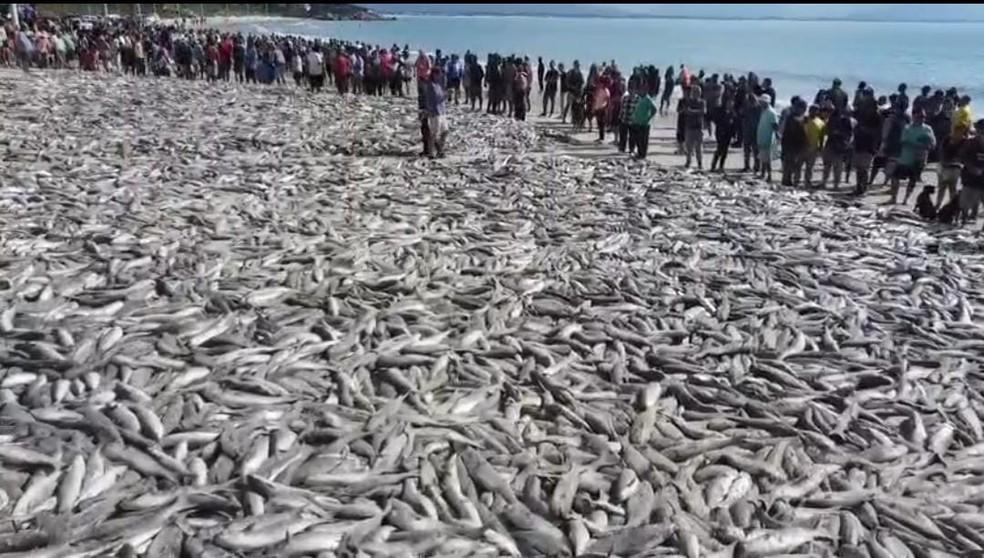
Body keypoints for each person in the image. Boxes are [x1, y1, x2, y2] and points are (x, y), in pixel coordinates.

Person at [888, 108, 936, 205]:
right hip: (905, 158)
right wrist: (919, 145)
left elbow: (933, 144)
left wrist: (926, 146)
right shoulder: (907, 128)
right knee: (895, 178)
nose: (922, 119)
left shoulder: (928, 129)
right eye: (919, 116)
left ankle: (906, 199)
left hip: (919, 159)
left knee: (912, 180)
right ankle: (893, 198)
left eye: (923, 117)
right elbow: (904, 142)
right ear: (913, 116)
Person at [958, 119, 984, 226]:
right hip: (970, 176)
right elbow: (962, 157)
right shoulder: (970, 142)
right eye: (981, 130)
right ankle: (963, 220)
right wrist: (971, 167)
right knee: (966, 200)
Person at [821, 107, 854, 189]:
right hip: (831, 144)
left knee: (836, 167)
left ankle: (835, 184)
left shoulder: (846, 121)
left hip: (839, 146)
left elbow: (849, 134)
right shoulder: (832, 119)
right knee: (828, 166)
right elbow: (827, 131)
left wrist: (839, 134)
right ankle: (825, 183)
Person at [780, 99, 807, 186]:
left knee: (788, 166)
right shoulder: (796, 120)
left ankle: (787, 181)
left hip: (789, 146)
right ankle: (788, 182)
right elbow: (800, 136)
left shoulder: (791, 117)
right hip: (793, 147)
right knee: (791, 166)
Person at [423, 67, 448, 158]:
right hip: (435, 111)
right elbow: (435, 99)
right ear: (434, 74)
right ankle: (431, 152)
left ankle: (440, 150)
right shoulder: (431, 86)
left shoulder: (438, 85)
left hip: (441, 111)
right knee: (434, 133)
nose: (440, 76)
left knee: (445, 131)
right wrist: (445, 95)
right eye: (438, 74)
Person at [710, 97, 738, 172]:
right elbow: (716, 121)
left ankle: (721, 166)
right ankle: (713, 166)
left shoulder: (733, 114)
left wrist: (734, 136)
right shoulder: (720, 111)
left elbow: (734, 126)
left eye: (731, 103)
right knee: (719, 150)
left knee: (725, 151)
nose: (730, 105)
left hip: (728, 135)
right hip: (720, 133)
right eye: (728, 103)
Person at [756, 95, 779, 182]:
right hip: (762, 137)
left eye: (762, 102)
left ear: (767, 103)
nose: (760, 103)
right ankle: (763, 174)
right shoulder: (763, 111)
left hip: (768, 138)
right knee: (763, 157)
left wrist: (776, 137)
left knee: (767, 159)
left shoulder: (771, 113)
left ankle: (769, 176)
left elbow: (775, 126)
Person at [630, 88, 658, 159]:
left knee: (643, 140)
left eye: (641, 90)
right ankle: (639, 153)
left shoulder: (648, 99)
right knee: (638, 139)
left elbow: (654, 109)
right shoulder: (639, 98)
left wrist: (648, 118)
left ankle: (643, 154)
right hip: (637, 122)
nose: (639, 91)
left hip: (644, 123)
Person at [683, 85, 706, 169]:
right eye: (695, 92)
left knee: (699, 147)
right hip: (689, 127)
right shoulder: (688, 101)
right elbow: (686, 111)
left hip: (699, 127)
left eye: (698, 92)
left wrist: (692, 111)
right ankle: (688, 162)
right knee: (689, 147)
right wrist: (695, 112)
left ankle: (700, 163)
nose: (696, 94)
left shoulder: (702, 102)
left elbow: (703, 112)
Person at [802, 106, 825, 187]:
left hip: (813, 147)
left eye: (815, 111)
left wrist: (821, 146)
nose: (813, 112)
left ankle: (807, 181)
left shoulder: (820, 122)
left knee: (809, 166)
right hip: (802, 146)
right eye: (811, 110)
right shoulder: (804, 120)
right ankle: (796, 180)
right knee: (798, 165)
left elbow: (822, 136)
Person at [618, 83, 640, 155]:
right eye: (630, 89)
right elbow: (622, 107)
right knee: (622, 135)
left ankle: (631, 149)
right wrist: (620, 116)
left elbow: (639, 109)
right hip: (624, 118)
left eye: (633, 89)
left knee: (632, 136)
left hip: (632, 120)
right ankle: (622, 148)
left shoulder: (638, 98)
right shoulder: (625, 97)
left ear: (636, 90)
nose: (631, 91)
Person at [593, 76, 611, 141]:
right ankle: (600, 137)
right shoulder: (598, 90)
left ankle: (602, 138)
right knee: (599, 123)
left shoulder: (606, 91)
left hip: (603, 108)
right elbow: (596, 99)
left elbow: (607, 100)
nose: (599, 84)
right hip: (598, 107)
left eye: (600, 83)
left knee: (602, 124)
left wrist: (606, 108)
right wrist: (594, 107)